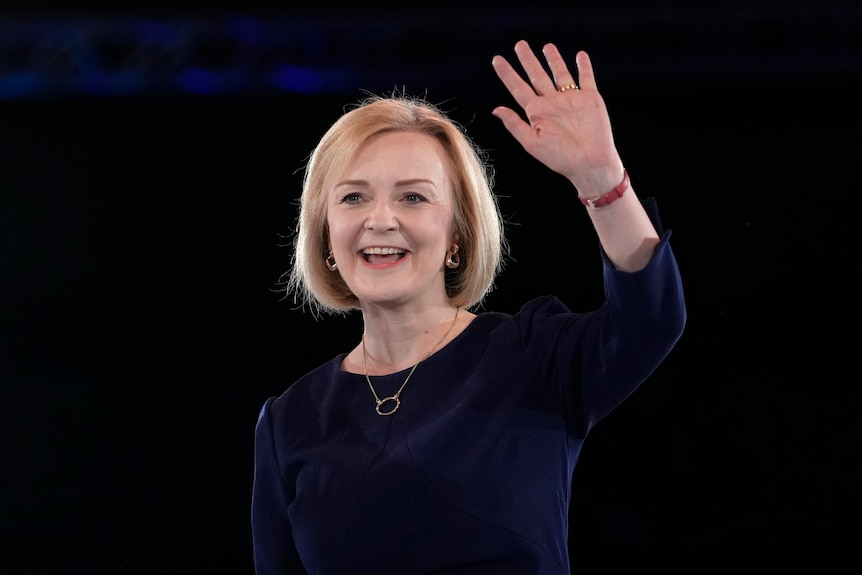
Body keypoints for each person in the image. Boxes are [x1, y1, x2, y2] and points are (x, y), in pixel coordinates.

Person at [251, 39, 686, 574]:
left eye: (413, 197)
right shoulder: (288, 420)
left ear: (457, 235)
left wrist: (601, 180)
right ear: (325, 234)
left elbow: (650, 319)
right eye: (353, 197)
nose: (380, 219)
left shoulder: (530, 354)